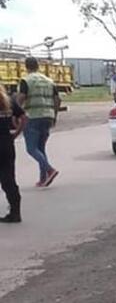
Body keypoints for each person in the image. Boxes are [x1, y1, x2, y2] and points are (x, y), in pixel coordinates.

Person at [17, 57, 60, 187]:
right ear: (38, 66)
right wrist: (54, 116)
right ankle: (43, 179)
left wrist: (16, 112)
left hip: (33, 116)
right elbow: (57, 99)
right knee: (40, 148)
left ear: (26, 67)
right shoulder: (49, 81)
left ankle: (50, 170)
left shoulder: (26, 80)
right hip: (47, 117)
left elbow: (22, 98)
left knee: (31, 149)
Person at [0, 86, 25, 223]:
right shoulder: (9, 100)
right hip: (6, 143)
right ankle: (15, 213)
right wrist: (16, 133)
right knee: (9, 179)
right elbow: (23, 117)